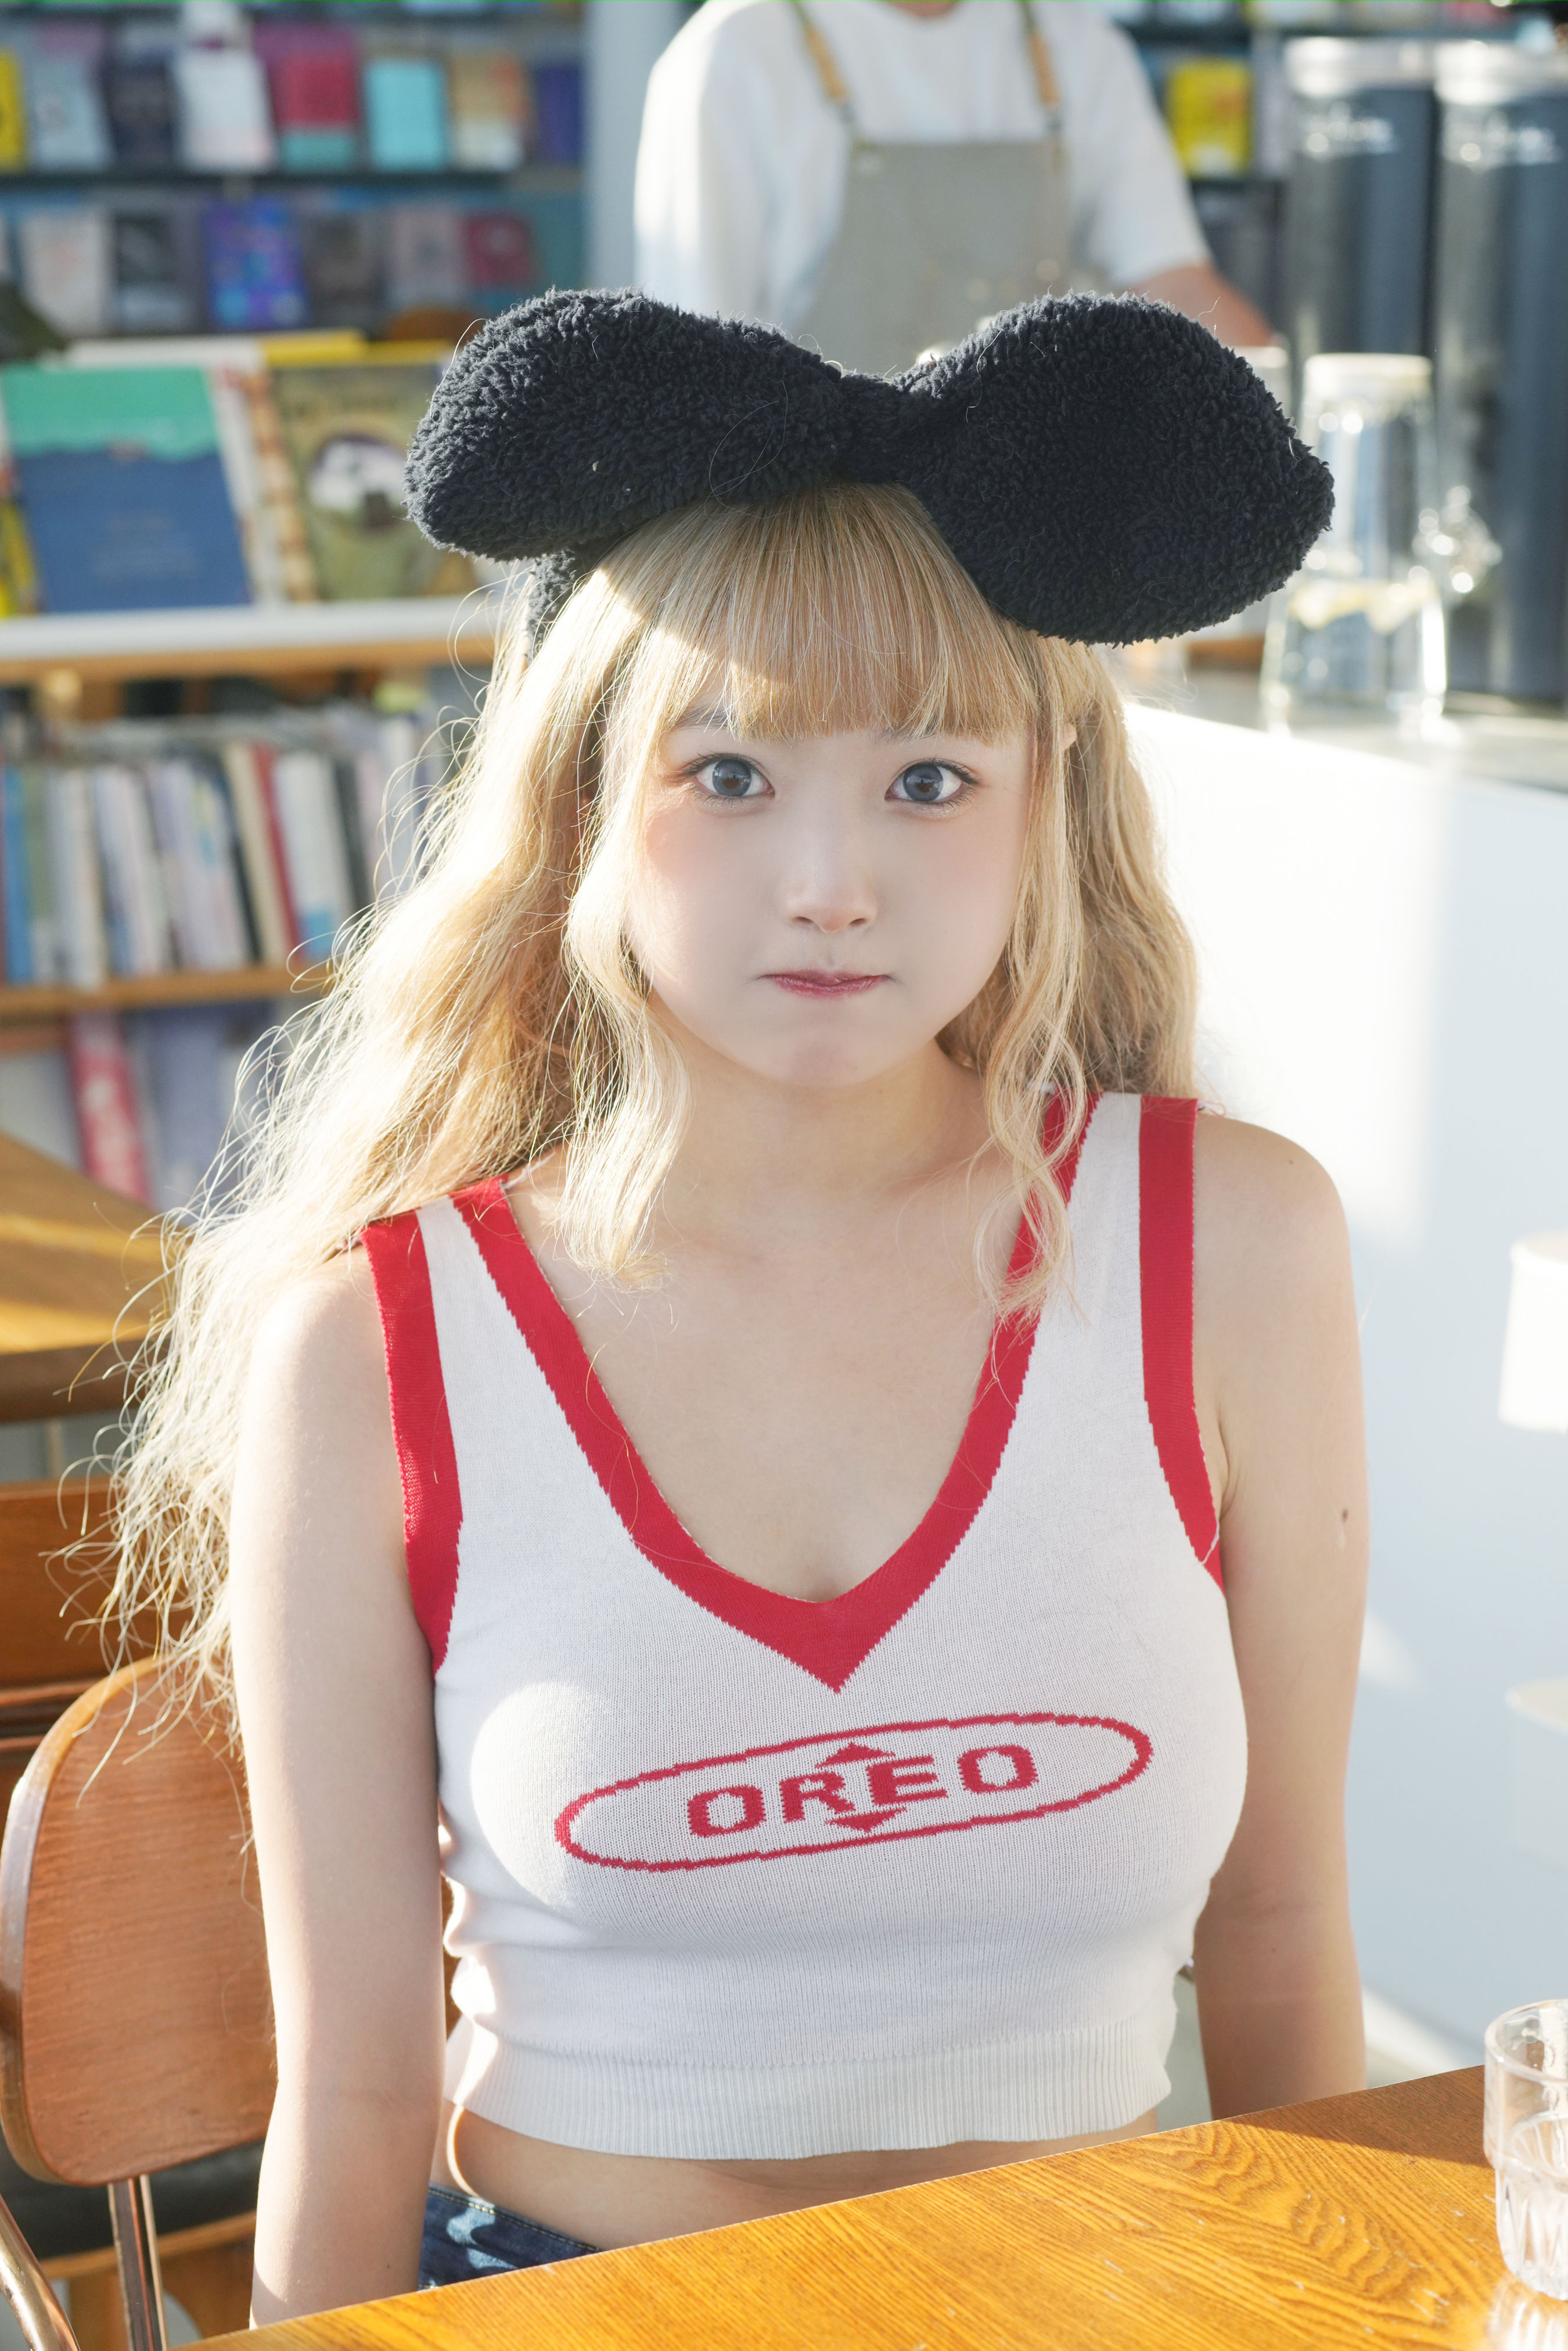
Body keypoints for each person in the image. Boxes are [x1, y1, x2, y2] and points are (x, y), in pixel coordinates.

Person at [112, 289, 1362, 2320]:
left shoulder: (1238, 1246)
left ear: (1046, 800)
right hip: (561, 2296)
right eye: (732, 771)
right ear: (582, 804)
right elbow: (356, 2081)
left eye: (929, 778)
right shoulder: (373, 1347)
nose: (832, 881)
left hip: (1104, 2294)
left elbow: (1286, 1932)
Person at [635, 0, 1275, 375]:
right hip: (816, 535)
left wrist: (1282, 405)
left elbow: (1175, 284)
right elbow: (694, 369)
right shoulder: (732, 58)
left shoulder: (1079, 47)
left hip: (1026, 516)